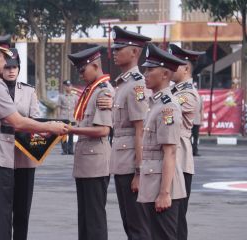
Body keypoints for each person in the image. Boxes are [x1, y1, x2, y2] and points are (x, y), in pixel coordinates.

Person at [0, 38, 68, 240]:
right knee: (0, 218)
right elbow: (17, 122)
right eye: (4, 58)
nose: (6, 65)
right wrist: (50, 126)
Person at [106, 26, 152, 240]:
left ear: (135, 52)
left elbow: (141, 130)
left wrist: (139, 172)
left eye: (120, 48)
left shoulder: (136, 86)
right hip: (122, 162)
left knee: (138, 227)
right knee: (129, 224)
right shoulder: (123, 84)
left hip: (132, 164)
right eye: (114, 48)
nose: (114, 52)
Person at [137, 43, 187, 240]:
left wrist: (165, 193)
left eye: (150, 69)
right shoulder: (155, 104)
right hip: (153, 183)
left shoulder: (168, 108)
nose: (145, 74)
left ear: (165, 74)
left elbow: (170, 152)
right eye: (145, 69)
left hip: (164, 188)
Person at [67, 45, 114, 240]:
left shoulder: (102, 91)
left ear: (95, 66)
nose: (80, 74)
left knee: (94, 219)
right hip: (87, 163)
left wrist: (71, 130)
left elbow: (103, 130)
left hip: (96, 163)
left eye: (82, 70)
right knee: (85, 217)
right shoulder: (91, 90)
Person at [1, 48, 40, 240]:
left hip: (24, 156)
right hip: (0, 154)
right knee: (3, 209)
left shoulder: (28, 90)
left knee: (22, 209)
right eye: (7, 67)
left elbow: (36, 118)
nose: (11, 71)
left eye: (14, 67)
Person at [169, 43, 205, 240]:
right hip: (170, 160)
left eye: (174, 63)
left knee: (176, 219)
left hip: (180, 163)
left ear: (185, 68)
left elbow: (159, 108)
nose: (169, 67)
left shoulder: (187, 95)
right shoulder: (174, 91)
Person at [57, 80, 78, 154]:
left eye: (69, 86)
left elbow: (77, 108)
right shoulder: (61, 96)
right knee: (63, 134)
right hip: (64, 117)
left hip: (72, 117)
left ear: (71, 86)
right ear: (64, 87)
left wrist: (77, 118)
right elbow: (59, 107)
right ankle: (64, 150)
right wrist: (59, 118)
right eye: (67, 86)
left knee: (71, 134)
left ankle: (71, 150)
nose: (68, 87)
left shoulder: (75, 97)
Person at [192, 92, 203, 156]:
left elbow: (201, 110)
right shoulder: (188, 96)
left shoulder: (200, 97)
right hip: (190, 121)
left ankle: (194, 151)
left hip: (195, 120)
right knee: (190, 137)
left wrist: (201, 120)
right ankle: (191, 151)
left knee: (195, 137)